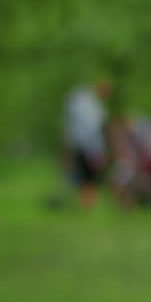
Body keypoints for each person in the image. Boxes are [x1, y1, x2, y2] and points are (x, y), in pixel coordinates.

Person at [62, 80, 111, 209]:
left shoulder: (83, 102)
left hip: (79, 144)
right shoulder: (91, 106)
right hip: (89, 147)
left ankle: (86, 204)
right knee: (89, 178)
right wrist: (98, 151)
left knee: (85, 177)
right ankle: (88, 204)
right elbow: (93, 131)